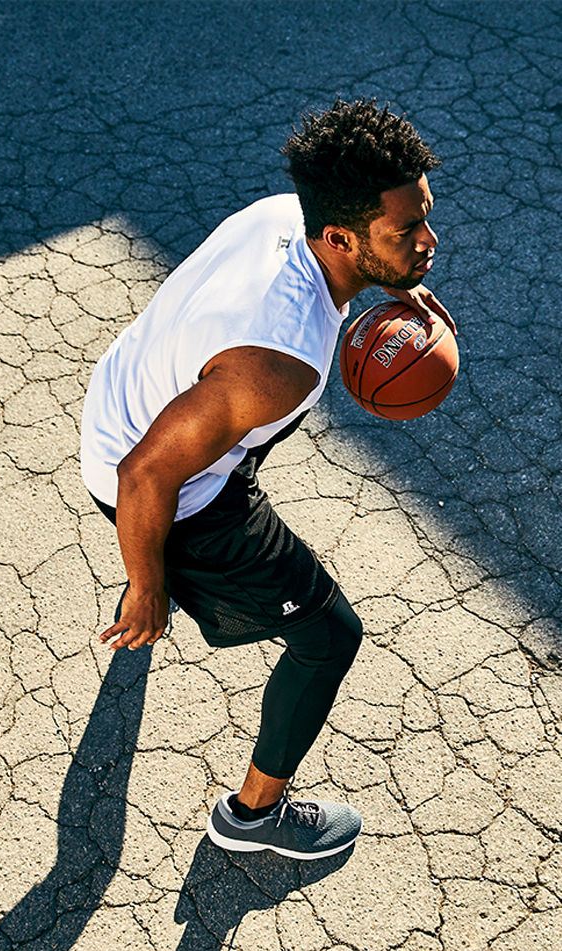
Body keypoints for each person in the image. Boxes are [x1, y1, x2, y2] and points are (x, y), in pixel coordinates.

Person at [80, 98, 455, 861]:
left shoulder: (288, 213)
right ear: (341, 237)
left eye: (423, 217)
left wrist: (390, 281)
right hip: (159, 483)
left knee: (213, 452)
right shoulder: (280, 362)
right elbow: (146, 471)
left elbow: (189, 418)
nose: (428, 240)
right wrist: (146, 583)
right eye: (404, 234)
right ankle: (252, 817)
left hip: (128, 394)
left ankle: (151, 566)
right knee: (329, 637)